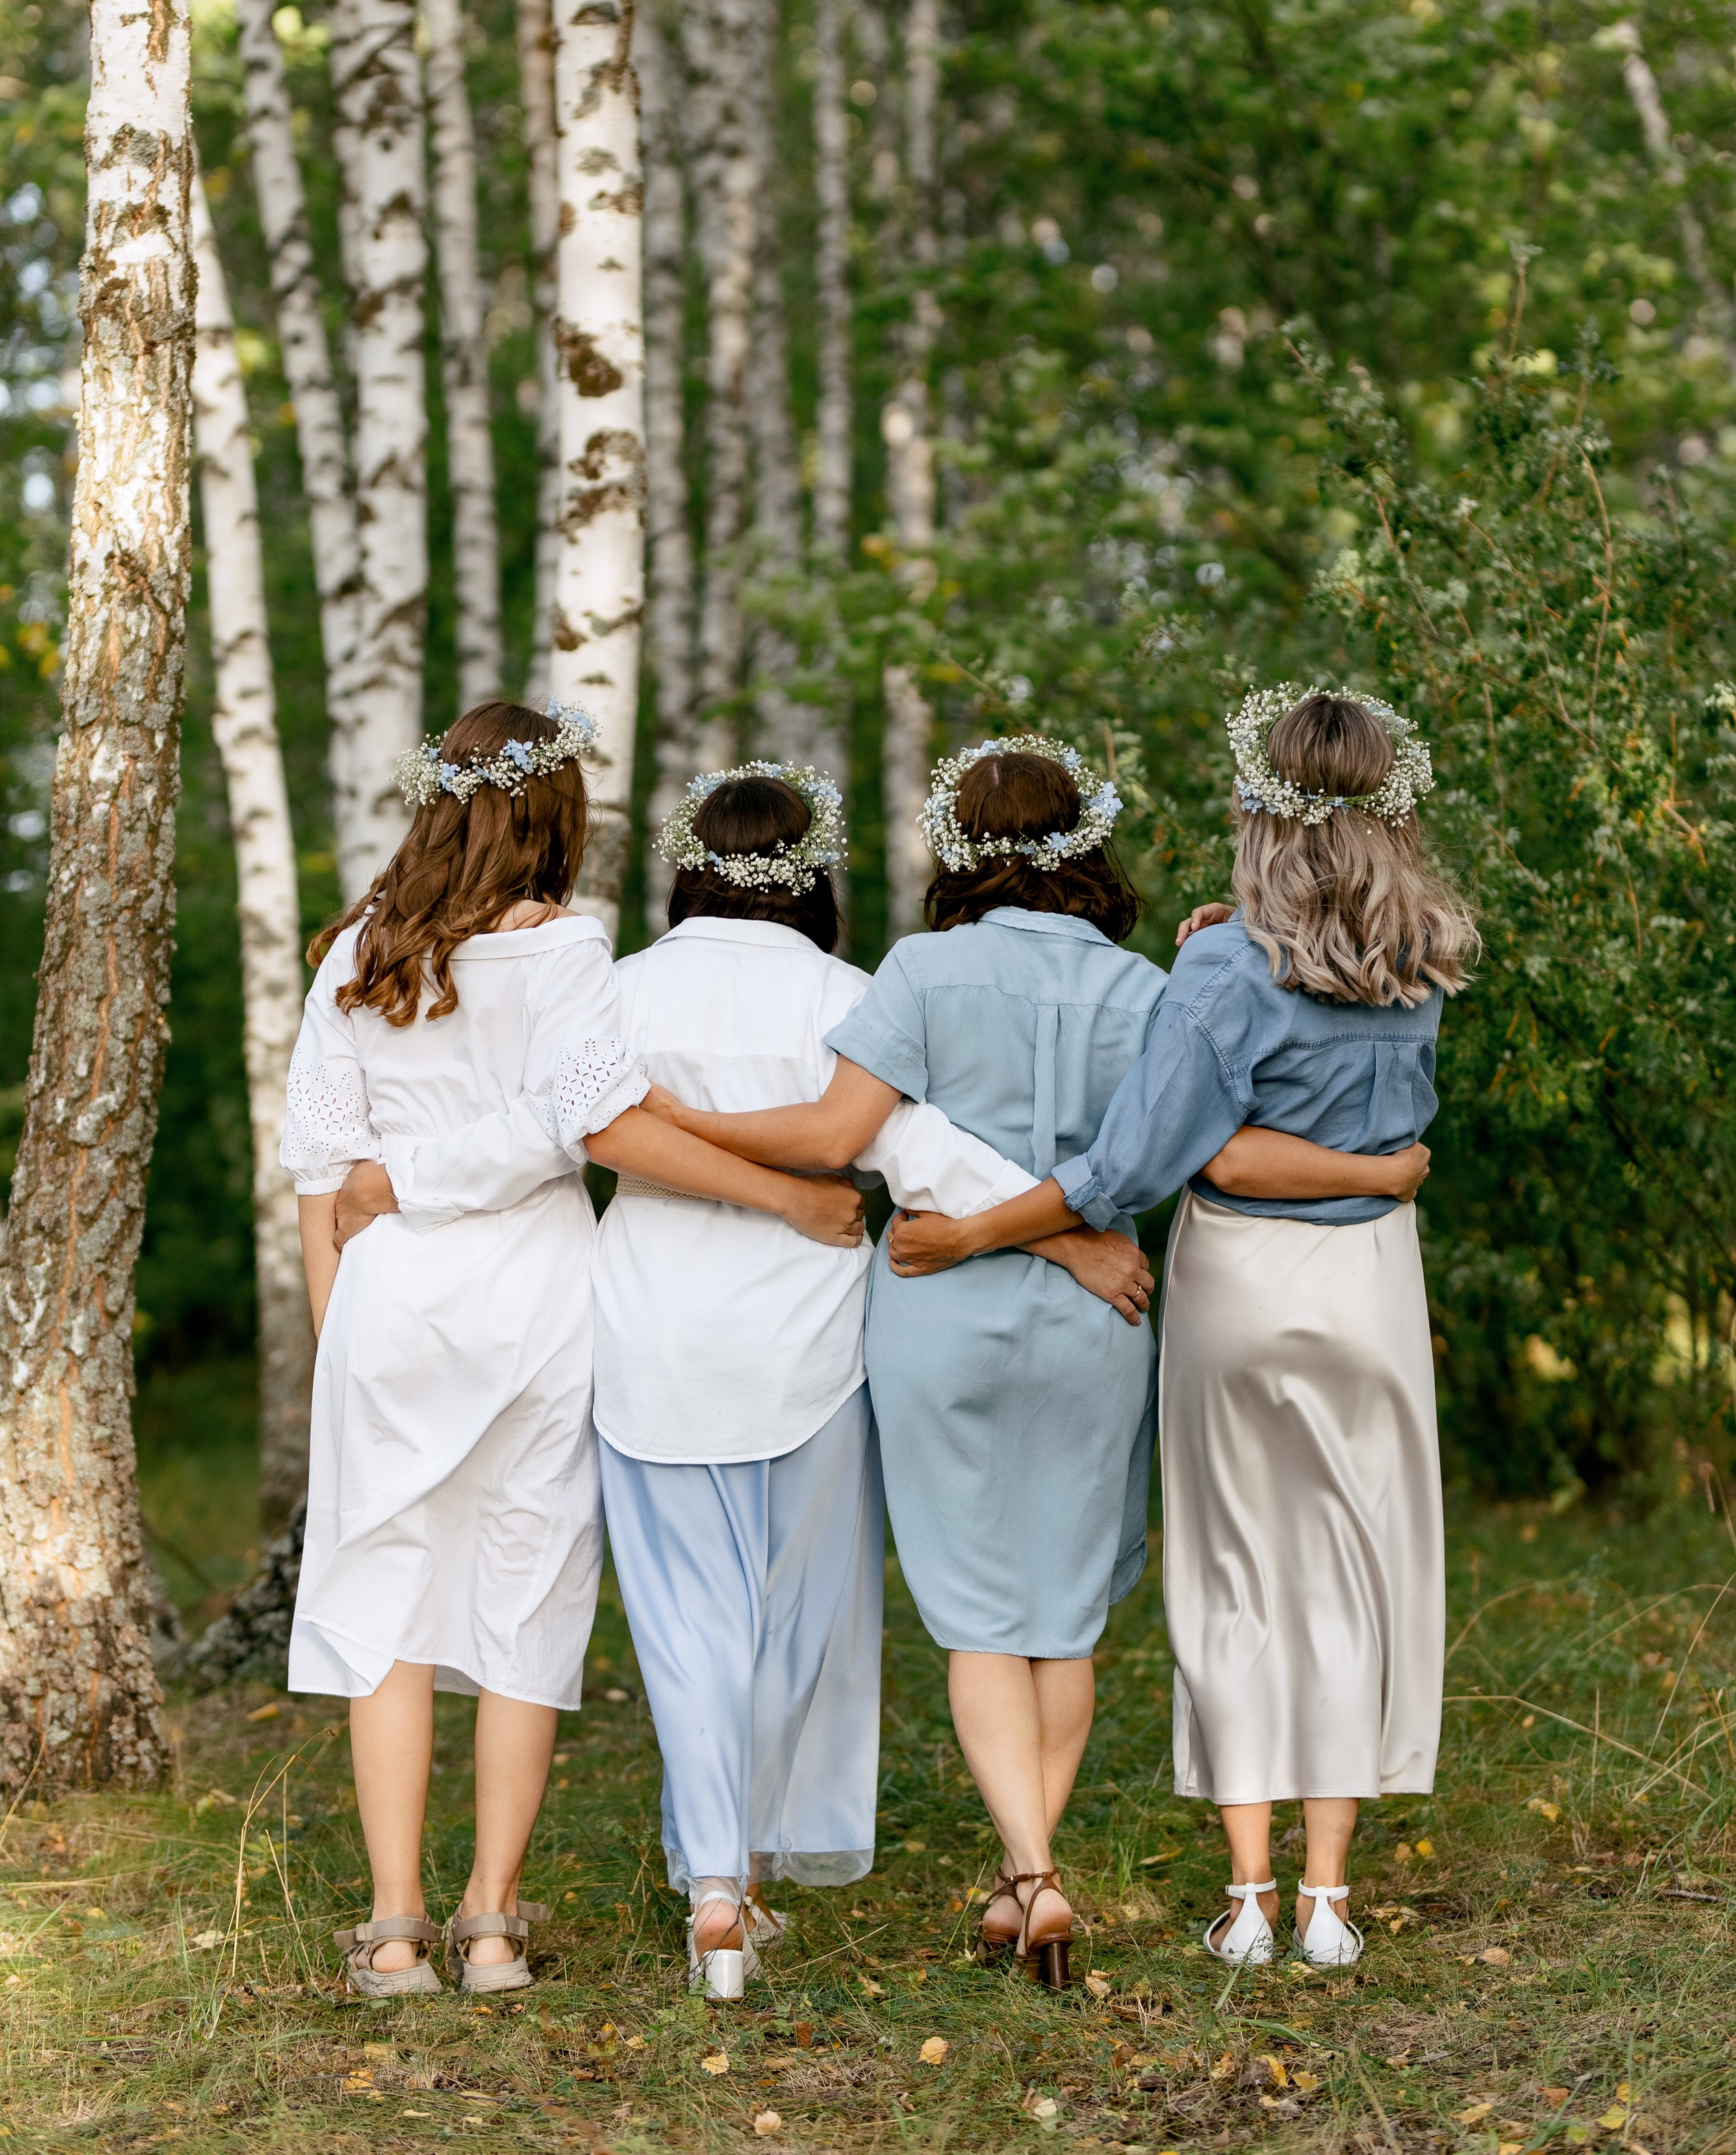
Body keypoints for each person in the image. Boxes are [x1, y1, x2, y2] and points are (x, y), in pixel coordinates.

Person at [641, 735, 1428, 1987]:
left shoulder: (920, 970)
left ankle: (1032, 1874)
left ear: (957, 849)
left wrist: (673, 1116)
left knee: (975, 1623)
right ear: (1088, 844)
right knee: (1062, 1623)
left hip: (939, 1305)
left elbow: (844, 1135)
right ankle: (1031, 1866)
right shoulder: (1145, 985)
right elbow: (1165, 1148)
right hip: (1094, 1321)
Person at [329, 760, 1110, 1999]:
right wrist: (1065, 1233)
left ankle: (709, 1897)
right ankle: (740, 1871)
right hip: (807, 1343)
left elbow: (586, 1127)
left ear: (694, 863)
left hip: (649, 1333)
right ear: (812, 874)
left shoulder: (617, 985)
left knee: (687, 1628)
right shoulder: (852, 994)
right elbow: (918, 1150)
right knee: (791, 1621)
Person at [283, 705, 865, 1999]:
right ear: (557, 816)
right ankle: (489, 1923)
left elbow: (325, 1181)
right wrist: (785, 1198)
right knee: (525, 1597)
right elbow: (588, 1125)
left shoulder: (350, 961)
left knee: (390, 1609)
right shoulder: (571, 954)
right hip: (539, 1297)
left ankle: (394, 1926)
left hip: (388, 1304)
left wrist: (345, 1334)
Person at [888, 691, 1474, 1971]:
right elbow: (1377, 1137)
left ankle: (1251, 1898)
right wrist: (1377, 1179)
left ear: (1262, 806)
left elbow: (1147, 1161)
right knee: (1356, 1569)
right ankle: (1328, 1898)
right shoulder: (1427, 952)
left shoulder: (1222, 965)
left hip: (1247, 1288)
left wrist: (988, 1231)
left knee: (1237, 1572)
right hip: (1373, 1281)